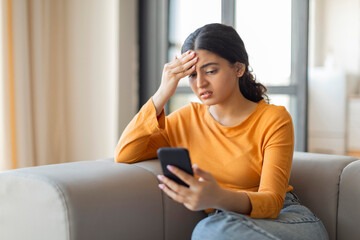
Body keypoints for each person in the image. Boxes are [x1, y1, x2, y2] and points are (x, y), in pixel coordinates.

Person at [114, 23, 328, 240]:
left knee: (209, 231)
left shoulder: (274, 119)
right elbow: (126, 153)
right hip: (227, 223)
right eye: (192, 75)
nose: (201, 83)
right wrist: (161, 94)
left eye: (210, 71)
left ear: (238, 68)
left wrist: (218, 197)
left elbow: (273, 203)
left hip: (286, 219)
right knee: (214, 229)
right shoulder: (186, 119)